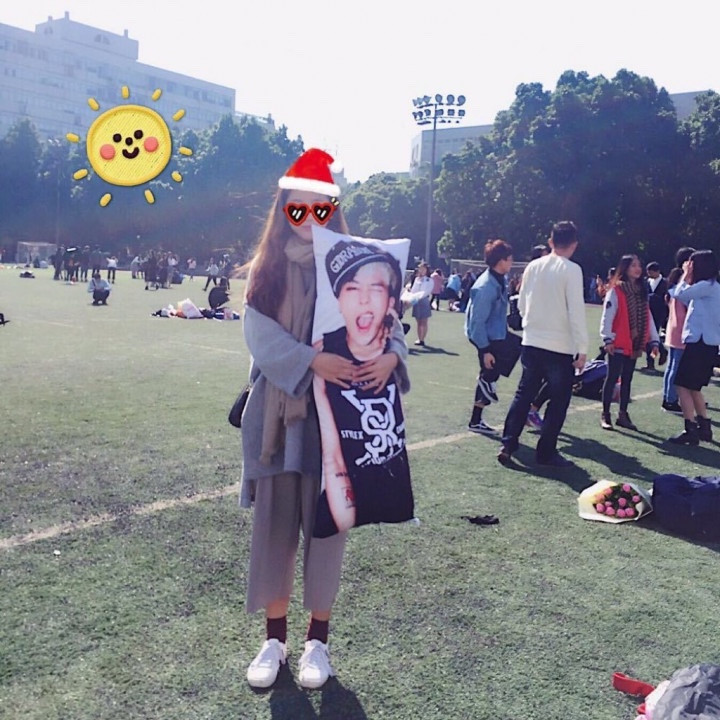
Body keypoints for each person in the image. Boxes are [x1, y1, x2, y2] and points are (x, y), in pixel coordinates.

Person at [240, 148, 409, 691]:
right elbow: (260, 337)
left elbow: (388, 323)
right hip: (280, 418)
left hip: (339, 420)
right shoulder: (267, 268)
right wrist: (311, 361)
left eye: (320, 208)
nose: (308, 218)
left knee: (329, 527)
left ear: (334, 211)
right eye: (297, 208)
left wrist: (392, 357)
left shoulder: (356, 263)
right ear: (283, 209)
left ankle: (318, 641)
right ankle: (274, 639)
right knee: (274, 529)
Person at [312, 240, 411, 536]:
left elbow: (397, 334)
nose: (365, 300)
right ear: (338, 300)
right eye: (353, 289)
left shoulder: (388, 345)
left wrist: (392, 358)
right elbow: (333, 456)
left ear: (390, 301)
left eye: (376, 289)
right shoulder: (325, 351)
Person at [497, 221, 588, 468]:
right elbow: (576, 311)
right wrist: (582, 348)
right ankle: (545, 452)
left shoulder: (533, 266)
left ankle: (508, 443)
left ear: (551, 241)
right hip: (560, 346)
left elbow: (521, 303)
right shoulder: (572, 270)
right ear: (574, 244)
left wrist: (531, 324)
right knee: (558, 402)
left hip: (532, 341)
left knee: (523, 394)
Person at [599, 255, 660, 431]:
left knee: (627, 379)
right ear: (625, 268)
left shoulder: (642, 292)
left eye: (639, 265)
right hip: (618, 341)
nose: (637, 269)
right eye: (633, 265)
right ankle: (605, 414)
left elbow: (648, 317)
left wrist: (654, 340)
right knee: (612, 378)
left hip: (634, 343)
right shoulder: (616, 290)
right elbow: (608, 316)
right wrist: (607, 338)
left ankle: (623, 414)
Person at [667, 249, 720, 445]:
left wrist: (685, 275)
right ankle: (704, 427)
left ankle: (690, 428)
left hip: (700, 344)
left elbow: (679, 294)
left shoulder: (706, 286)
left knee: (682, 385)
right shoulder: (711, 286)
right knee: (694, 388)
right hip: (706, 344)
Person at [465, 240, 514, 437]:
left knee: (515, 349)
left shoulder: (500, 278)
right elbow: (477, 322)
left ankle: (476, 417)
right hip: (485, 336)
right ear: (501, 261)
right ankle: (486, 382)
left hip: (496, 333)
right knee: (489, 372)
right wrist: (484, 350)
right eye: (509, 259)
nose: (512, 262)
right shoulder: (486, 286)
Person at [662, 246, 695, 413]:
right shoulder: (685, 281)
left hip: (674, 328)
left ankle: (669, 397)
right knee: (676, 367)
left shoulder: (676, 279)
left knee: (672, 366)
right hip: (682, 329)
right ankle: (671, 400)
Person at [642, 261, 668, 371]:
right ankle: (661, 352)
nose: (649, 274)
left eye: (650, 272)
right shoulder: (646, 282)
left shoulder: (665, 283)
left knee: (652, 337)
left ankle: (651, 363)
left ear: (656, 271)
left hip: (659, 314)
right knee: (649, 337)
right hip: (647, 312)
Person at [409, 262, 434, 346]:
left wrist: (419, 295)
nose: (421, 270)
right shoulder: (417, 279)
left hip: (423, 300)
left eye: (423, 269)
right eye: (420, 269)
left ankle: (422, 339)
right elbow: (413, 290)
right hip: (416, 300)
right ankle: (419, 338)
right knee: (418, 321)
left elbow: (426, 291)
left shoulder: (429, 280)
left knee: (423, 321)